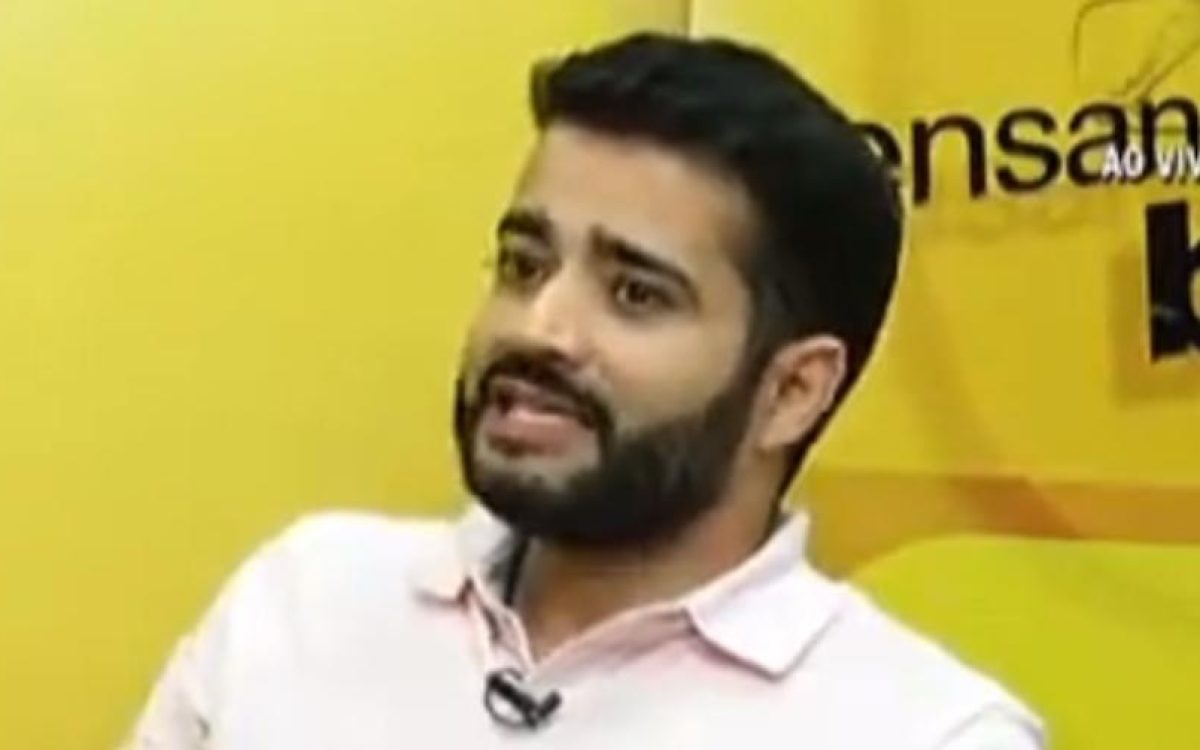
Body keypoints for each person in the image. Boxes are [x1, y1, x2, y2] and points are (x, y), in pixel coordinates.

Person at [123, 32, 1045, 749]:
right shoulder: (299, 601)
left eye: (635, 294)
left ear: (793, 391)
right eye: (524, 264)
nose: (537, 327)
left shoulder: (927, 733)